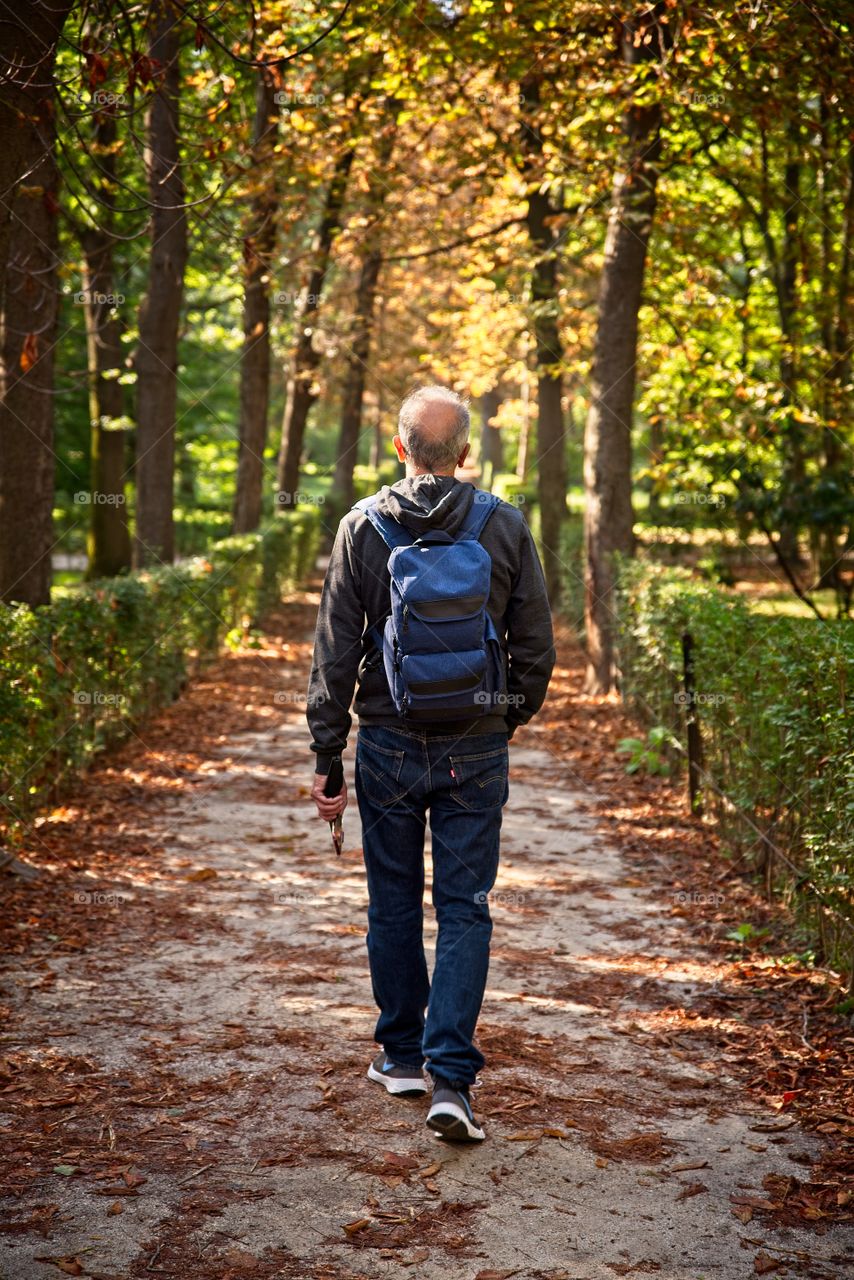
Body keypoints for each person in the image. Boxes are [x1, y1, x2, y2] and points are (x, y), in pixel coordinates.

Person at [307, 385, 555, 1141]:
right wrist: (501, 718)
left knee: (391, 902)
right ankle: (452, 1080)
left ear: (398, 446)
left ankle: (401, 1057)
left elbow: (335, 652)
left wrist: (328, 754)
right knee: (465, 906)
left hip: (385, 742)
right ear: (467, 453)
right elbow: (536, 653)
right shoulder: (504, 525)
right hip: (473, 748)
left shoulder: (364, 527)